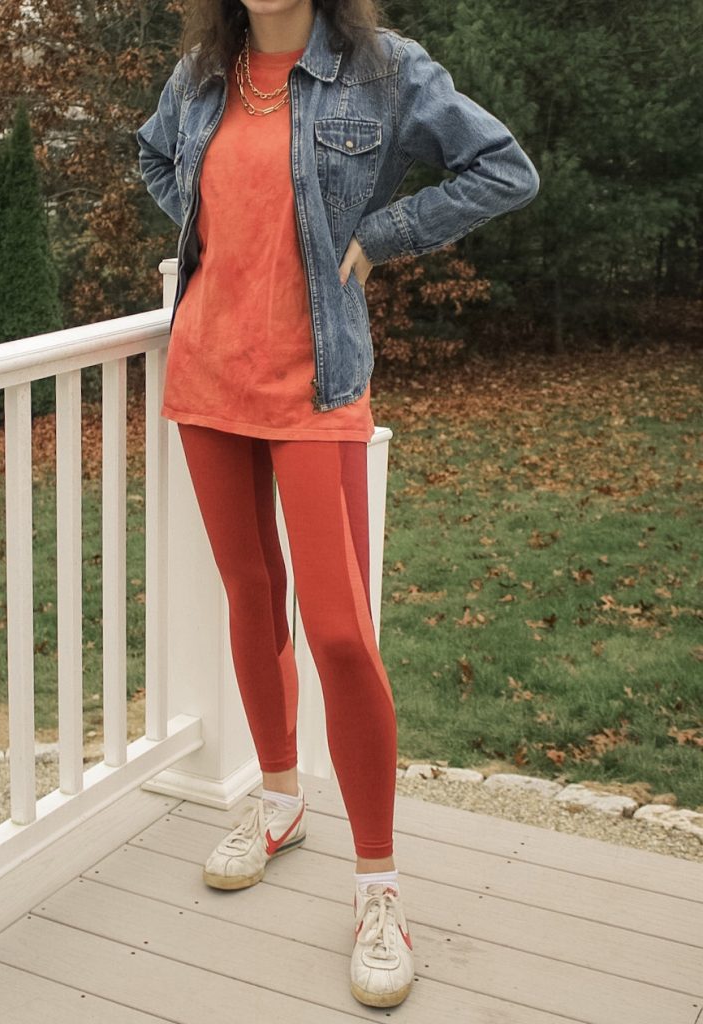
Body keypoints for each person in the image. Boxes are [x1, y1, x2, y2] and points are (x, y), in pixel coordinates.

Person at [136, 0, 539, 1008]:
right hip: (206, 380)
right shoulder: (200, 78)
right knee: (248, 593)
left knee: (343, 635)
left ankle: (380, 887)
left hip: (317, 387)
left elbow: (504, 168)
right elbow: (155, 163)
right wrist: (204, 254)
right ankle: (276, 799)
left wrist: (388, 230)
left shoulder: (385, 69)